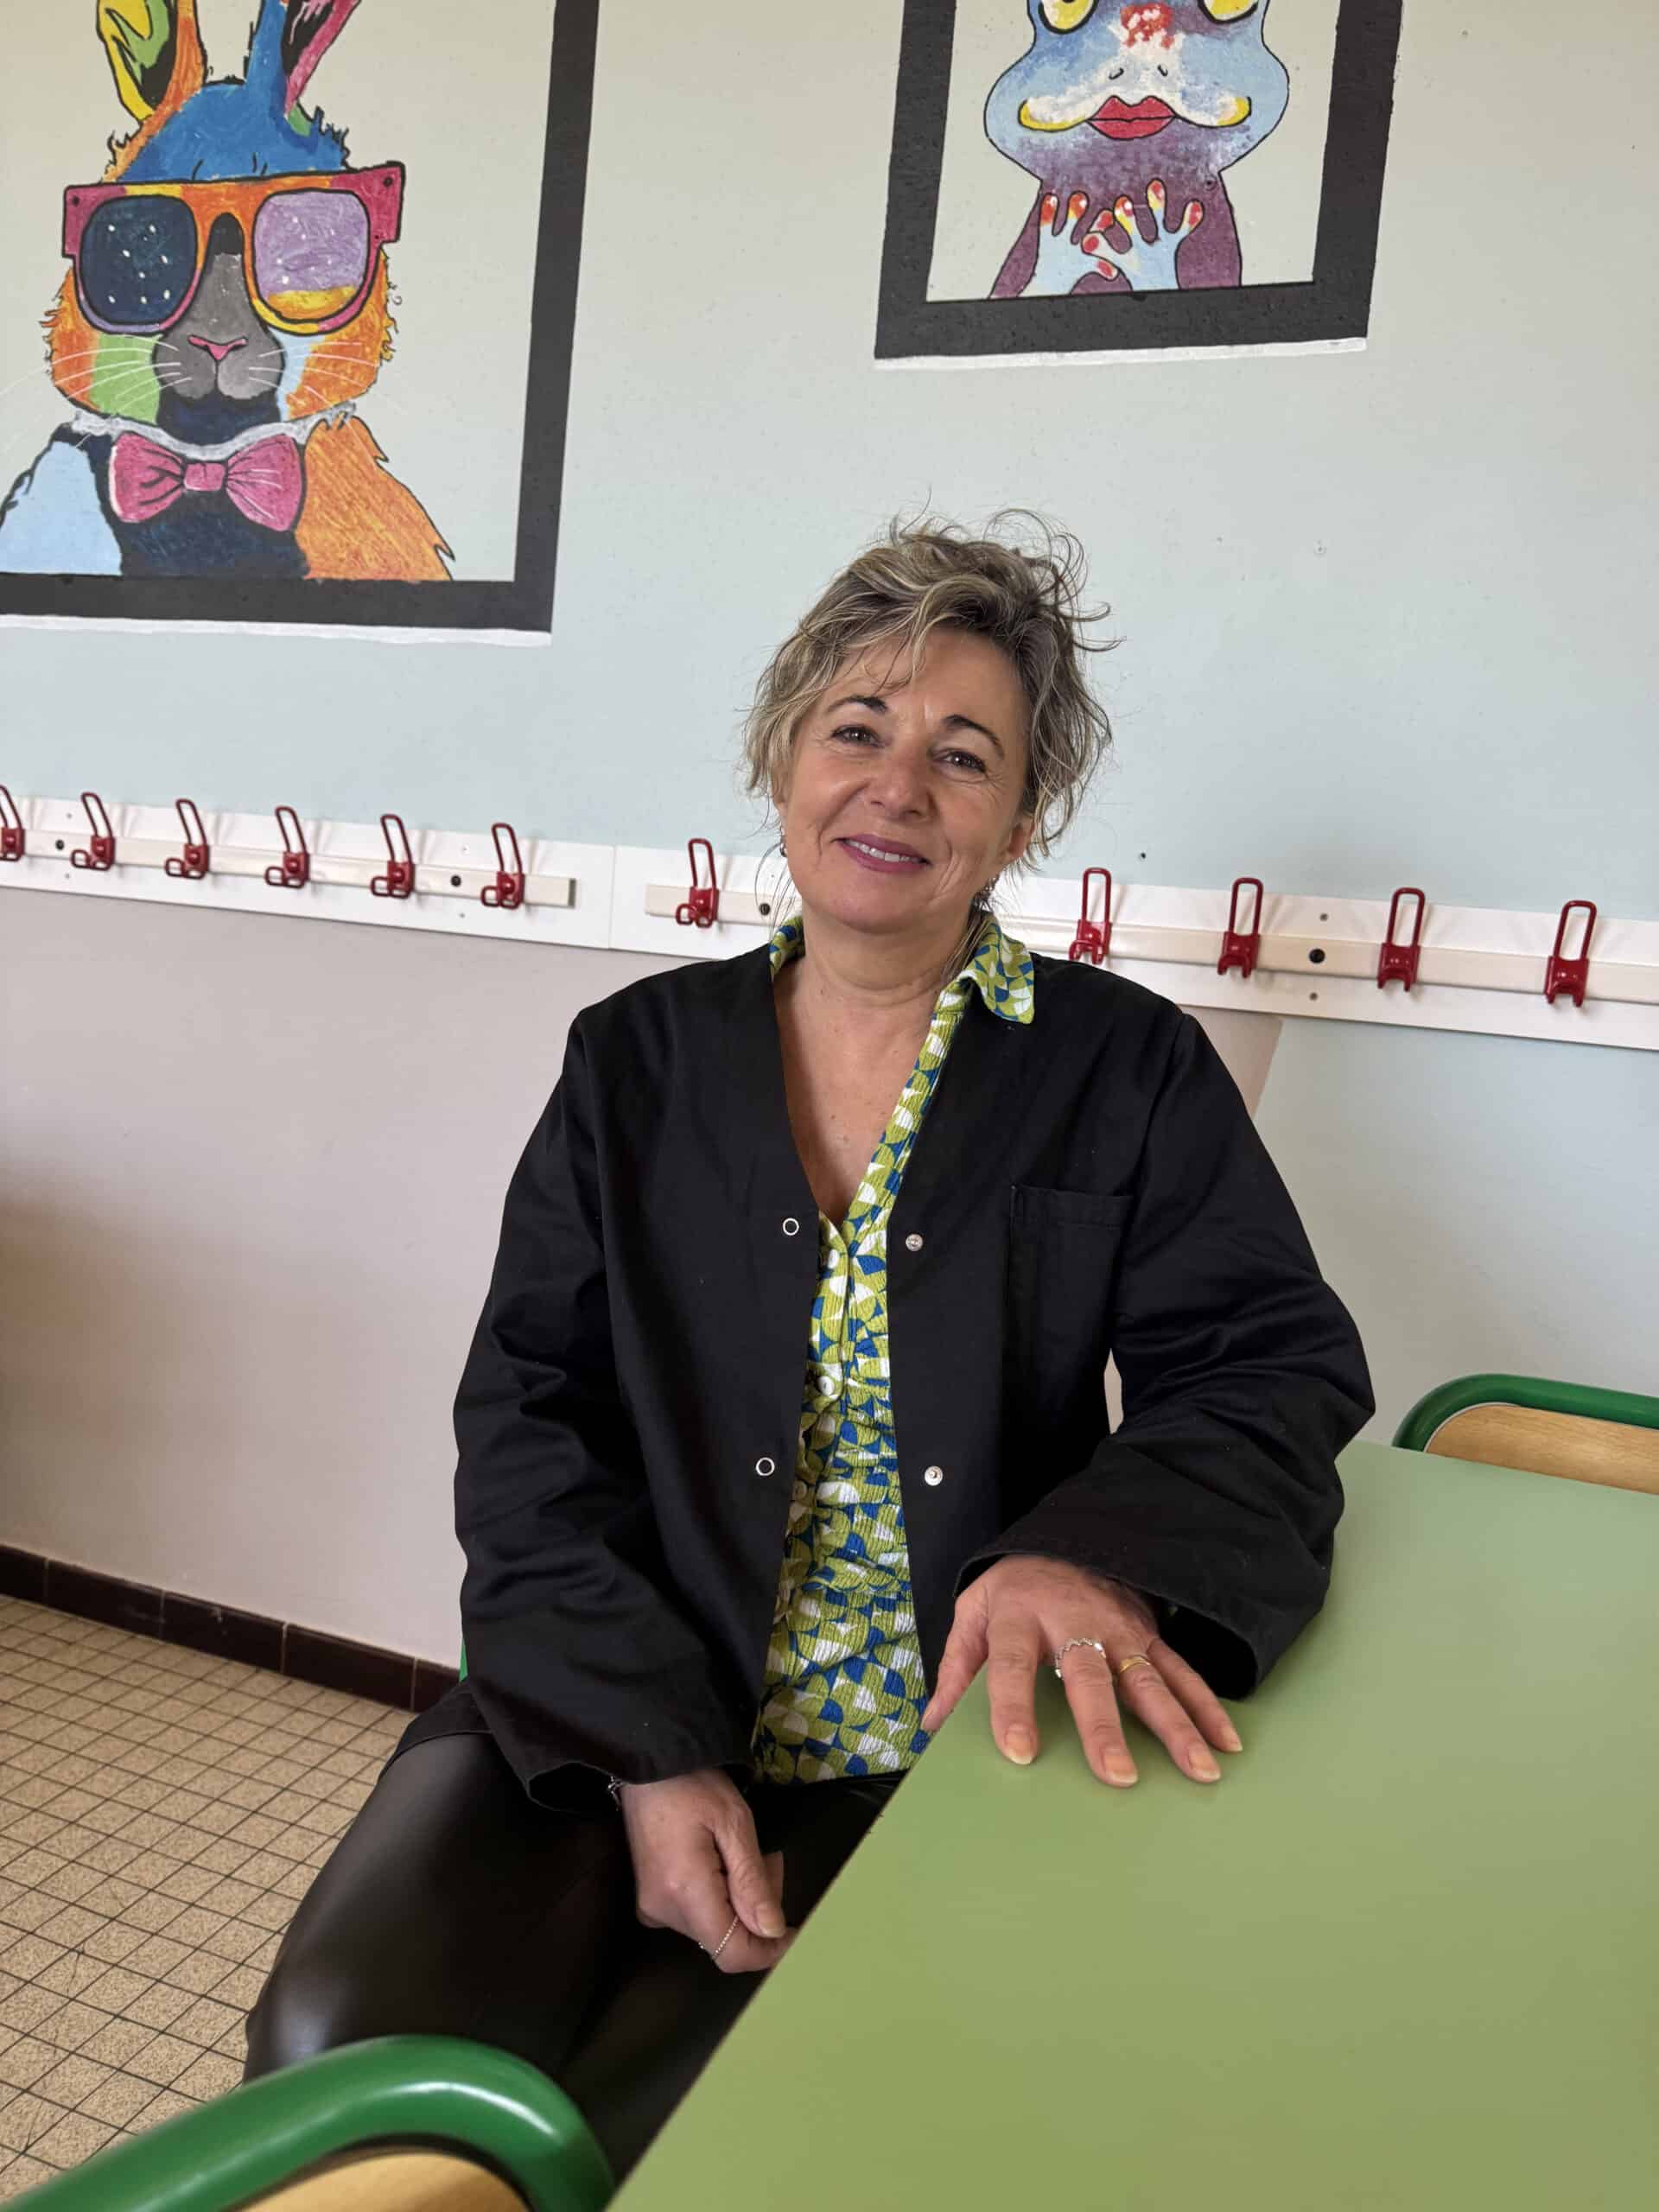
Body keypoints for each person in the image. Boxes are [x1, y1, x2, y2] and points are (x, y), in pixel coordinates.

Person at [243, 512, 1374, 2177]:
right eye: (857, 728)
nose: (896, 788)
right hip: (615, 1696)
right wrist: (649, 1752)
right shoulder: (632, 1063)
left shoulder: (1125, 1069)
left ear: (1018, 823)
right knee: (351, 2067)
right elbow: (530, 1418)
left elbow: (1267, 1358)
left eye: (963, 755)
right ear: (783, 759)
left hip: (954, 1747)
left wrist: (1087, 1551)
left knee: (744, 2133)